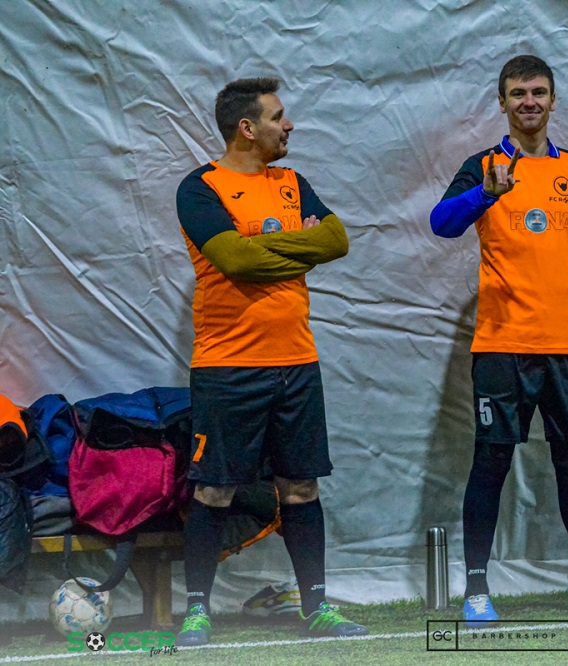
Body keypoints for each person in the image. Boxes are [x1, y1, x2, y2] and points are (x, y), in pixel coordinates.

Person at [430, 55, 568, 626]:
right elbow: (441, 223)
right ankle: (477, 591)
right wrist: (485, 195)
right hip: (502, 347)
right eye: (518, 93)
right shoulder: (483, 167)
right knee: (491, 463)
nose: (529, 101)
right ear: (502, 102)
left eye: (538, 92)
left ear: (553, 100)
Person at [174, 77, 367, 645]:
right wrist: (294, 251)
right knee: (214, 490)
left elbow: (336, 240)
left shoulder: (292, 183)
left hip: (297, 362)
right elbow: (234, 261)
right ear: (246, 128)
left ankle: (317, 609)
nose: (289, 125)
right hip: (227, 366)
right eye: (278, 117)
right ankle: (196, 611)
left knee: (301, 487)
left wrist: (258, 249)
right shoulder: (200, 188)